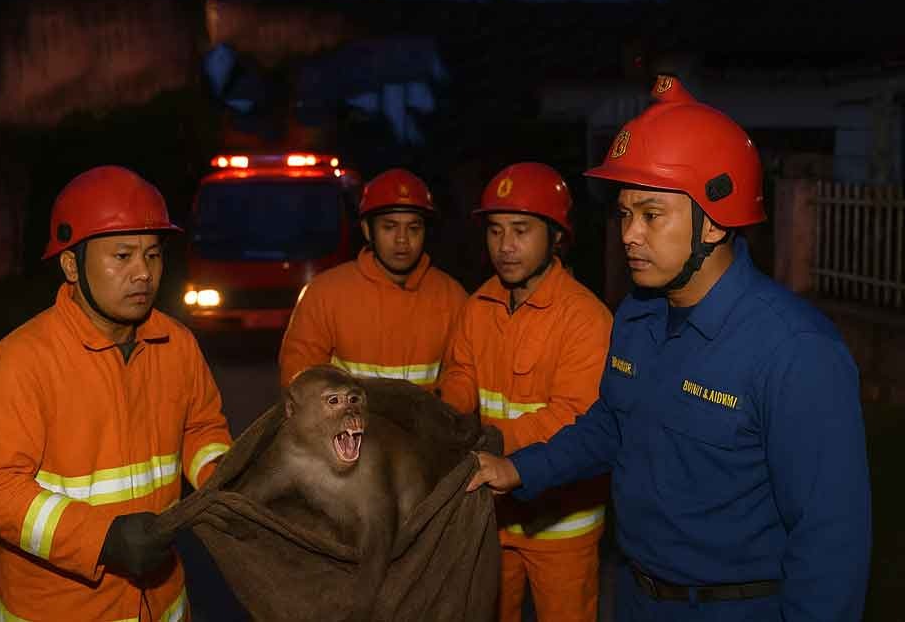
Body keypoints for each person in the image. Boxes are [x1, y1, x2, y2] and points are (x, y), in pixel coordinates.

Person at [466, 76, 872, 621]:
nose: (630, 233)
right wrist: (518, 470)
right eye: (625, 213)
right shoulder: (637, 314)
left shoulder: (796, 352)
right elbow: (612, 425)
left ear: (713, 222)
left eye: (652, 215)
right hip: (633, 597)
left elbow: (832, 543)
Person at [0, 165, 233, 622]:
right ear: (71, 264)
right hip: (62, 608)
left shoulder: (177, 345)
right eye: (122, 256)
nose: (142, 273)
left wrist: (221, 477)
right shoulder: (22, 361)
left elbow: (201, 428)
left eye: (153, 255)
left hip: (162, 601)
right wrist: (102, 539)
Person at [438, 162, 613, 622]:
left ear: (556, 236)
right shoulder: (478, 307)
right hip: (493, 518)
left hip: (561, 526)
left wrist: (484, 445)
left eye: (521, 230)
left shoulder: (585, 318)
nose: (505, 246)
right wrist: (439, 420)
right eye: (495, 231)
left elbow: (575, 418)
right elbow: (460, 380)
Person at [279, 168, 467, 388]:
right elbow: (299, 379)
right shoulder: (323, 294)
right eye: (389, 227)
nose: (402, 240)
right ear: (368, 230)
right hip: (345, 422)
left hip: (425, 424)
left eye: (413, 228)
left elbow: (461, 376)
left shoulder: (452, 298)